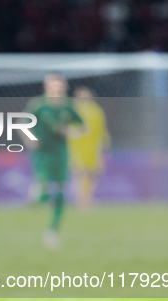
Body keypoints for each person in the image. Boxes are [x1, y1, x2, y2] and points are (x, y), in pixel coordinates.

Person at [24, 73, 83, 249]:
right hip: (42, 154)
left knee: (60, 195)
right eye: (53, 86)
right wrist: (30, 139)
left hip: (61, 154)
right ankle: (37, 195)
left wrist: (71, 132)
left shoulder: (68, 106)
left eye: (60, 86)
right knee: (43, 190)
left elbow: (82, 126)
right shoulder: (38, 105)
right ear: (47, 87)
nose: (57, 89)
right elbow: (22, 124)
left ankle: (52, 232)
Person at [68, 86, 110, 210]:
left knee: (92, 174)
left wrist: (104, 144)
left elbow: (101, 129)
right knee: (79, 172)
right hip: (76, 146)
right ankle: (80, 199)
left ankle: (88, 198)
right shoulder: (72, 110)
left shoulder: (96, 110)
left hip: (93, 147)